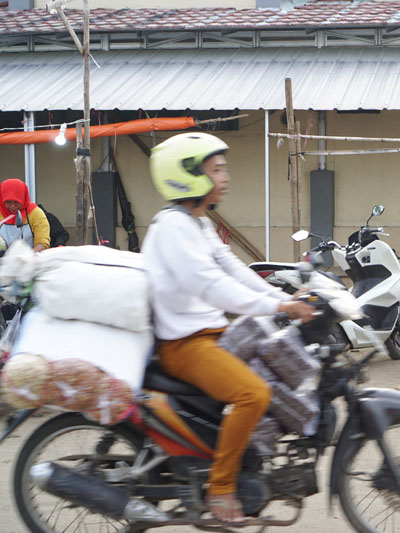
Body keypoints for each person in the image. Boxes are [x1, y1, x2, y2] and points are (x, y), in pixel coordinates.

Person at [142, 132, 315, 524]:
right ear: (186, 175)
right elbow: (212, 286)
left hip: (209, 334)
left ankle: (243, 461)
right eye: (216, 169)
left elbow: (232, 267)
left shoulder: (197, 222)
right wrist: (277, 305)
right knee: (253, 394)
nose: (226, 177)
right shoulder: (172, 228)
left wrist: (280, 294)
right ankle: (221, 489)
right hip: (185, 345)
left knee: (275, 362)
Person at [0, 178, 50, 252]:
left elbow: (42, 242)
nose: (12, 206)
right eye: (8, 202)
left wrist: (27, 257)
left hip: (31, 259)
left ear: (23, 198)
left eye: (16, 202)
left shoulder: (35, 214)